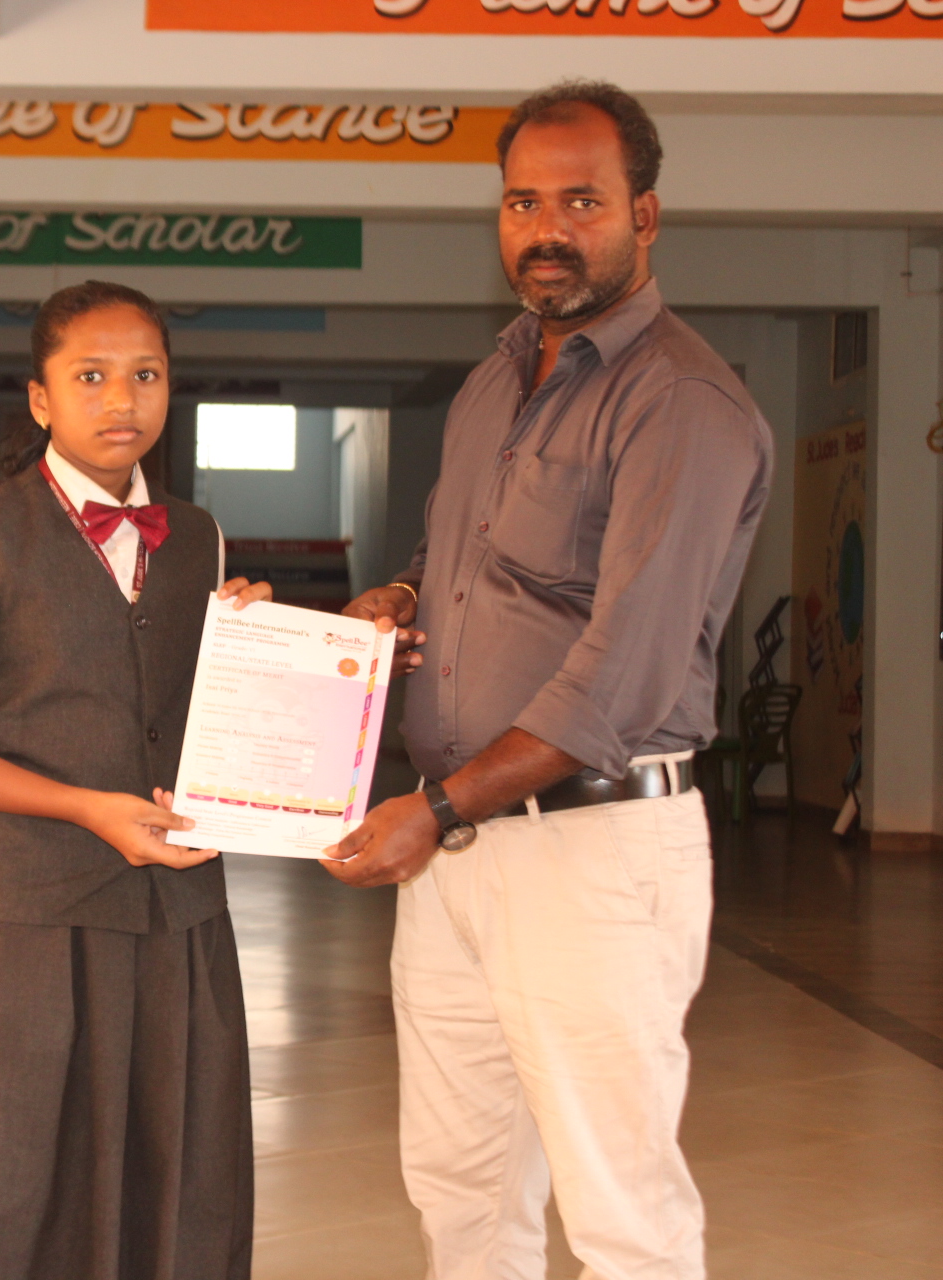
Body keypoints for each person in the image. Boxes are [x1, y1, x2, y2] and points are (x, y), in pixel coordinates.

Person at [328, 80, 772, 1280]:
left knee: (618, 1206)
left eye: (582, 200)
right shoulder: (495, 381)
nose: (547, 229)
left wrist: (432, 809)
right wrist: (401, 597)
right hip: (464, 852)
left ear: (646, 215)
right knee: (461, 1188)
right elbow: (454, 557)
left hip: (592, 852)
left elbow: (617, 680)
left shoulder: (680, 401)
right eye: (523, 202)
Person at [0, 281, 273, 1280]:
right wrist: (85, 808)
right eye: (90, 376)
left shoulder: (202, 538)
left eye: (146, 374)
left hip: (177, 920)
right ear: (40, 398)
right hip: (25, 919)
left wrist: (259, 656)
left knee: (173, 1184)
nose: (121, 399)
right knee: (5, 1192)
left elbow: (188, 716)